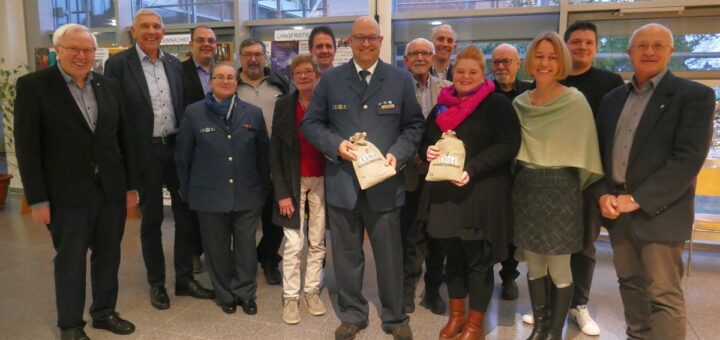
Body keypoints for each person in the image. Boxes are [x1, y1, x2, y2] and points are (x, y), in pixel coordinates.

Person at [301, 16, 424, 340]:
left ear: (381, 40)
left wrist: (398, 153)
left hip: (385, 183)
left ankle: (395, 317)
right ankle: (353, 314)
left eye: (371, 38)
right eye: (359, 38)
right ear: (350, 42)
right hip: (343, 184)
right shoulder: (331, 81)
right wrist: (336, 146)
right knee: (346, 257)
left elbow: (414, 126)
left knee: (389, 256)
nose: (366, 43)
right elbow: (312, 124)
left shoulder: (399, 79)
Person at [14, 23, 138, 339]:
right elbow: (27, 148)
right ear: (59, 52)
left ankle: (104, 312)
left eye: (87, 50)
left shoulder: (107, 85)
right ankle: (70, 325)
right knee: (69, 261)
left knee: (109, 254)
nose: (81, 55)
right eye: (74, 49)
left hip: (109, 190)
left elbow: (124, 139)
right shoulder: (35, 86)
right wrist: (38, 199)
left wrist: (129, 187)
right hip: (65, 196)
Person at [596, 23, 715, 340]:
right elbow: (602, 153)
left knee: (663, 294)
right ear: (629, 52)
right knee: (630, 284)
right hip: (618, 210)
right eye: (642, 45)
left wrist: (637, 199)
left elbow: (687, 160)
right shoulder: (612, 99)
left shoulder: (695, 96)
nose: (649, 51)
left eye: (658, 45)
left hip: (661, 212)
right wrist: (605, 194)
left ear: (671, 52)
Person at [104, 10, 214, 310]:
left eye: (156, 26)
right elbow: (113, 116)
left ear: (163, 31)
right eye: (145, 27)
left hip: (174, 149)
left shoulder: (173, 65)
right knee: (151, 220)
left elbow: (183, 109)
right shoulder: (117, 65)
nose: (151, 31)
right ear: (133, 31)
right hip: (144, 154)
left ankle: (183, 279)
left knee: (184, 216)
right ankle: (156, 283)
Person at [421, 46, 520, 340]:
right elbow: (426, 138)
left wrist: (473, 168)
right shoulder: (441, 105)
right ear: (453, 73)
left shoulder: (497, 104)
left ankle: (475, 325)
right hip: (447, 197)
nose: (465, 76)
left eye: (472, 72)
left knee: (478, 260)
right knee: (453, 257)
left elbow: (508, 145)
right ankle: (456, 318)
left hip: (481, 194)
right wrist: (426, 150)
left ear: (483, 74)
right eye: (460, 71)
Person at [512, 32, 603, 339]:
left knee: (560, 264)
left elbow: (587, 150)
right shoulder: (519, 103)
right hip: (527, 187)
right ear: (530, 60)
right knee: (535, 263)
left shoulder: (575, 100)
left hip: (563, 188)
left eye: (552, 56)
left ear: (561, 61)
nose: (545, 62)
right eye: (539, 56)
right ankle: (540, 325)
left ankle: (555, 330)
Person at [175, 63, 270, 316]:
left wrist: (261, 190)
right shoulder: (194, 113)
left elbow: (263, 156)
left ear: (236, 81)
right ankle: (224, 293)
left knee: (246, 247)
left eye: (230, 77)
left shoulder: (253, 113)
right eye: (220, 77)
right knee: (215, 248)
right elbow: (183, 157)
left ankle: (245, 292)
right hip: (208, 195)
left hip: (247, 194)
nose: (225, 81)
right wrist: (188, 191)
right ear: (210, 82)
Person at [560, 20, 625, 336]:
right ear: (566, 45)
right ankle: (548, 302)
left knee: (585, 245)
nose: (582, 47)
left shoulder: (612, 83)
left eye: (588, 43)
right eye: (576, 42)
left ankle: (578, 305)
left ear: (595, 47)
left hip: (591, 178)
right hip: (554, 177)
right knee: (549, 244)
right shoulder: (550, 79)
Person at [270, 54, 328, 325]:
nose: (304, 76)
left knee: (318, 241)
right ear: (292, 78)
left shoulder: (326, 104)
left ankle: (311, 290)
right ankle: (290, 296)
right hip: (293, 180)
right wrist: (281, 192)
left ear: (317, 74)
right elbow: (276, 151)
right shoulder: (283, 105)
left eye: (309, 71)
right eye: (298, 73)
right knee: (294, 243)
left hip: (323, 180)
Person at [401, 37, 451, 315]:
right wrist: (415, 157)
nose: (420, 57)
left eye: (425, 53)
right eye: (414, 53)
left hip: (439, 174)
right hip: (407, 173)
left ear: (433, 58)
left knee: (438, 236)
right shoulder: (396, 87)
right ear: (406, 59)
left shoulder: (448, 90)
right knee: (409, 235)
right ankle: (407, 288)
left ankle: (433, 291)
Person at [236, 38, 291, 285]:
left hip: (276, 159)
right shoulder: (231, 85)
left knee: (276, 216)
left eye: (258, 54)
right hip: (242, 161)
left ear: (265, 56)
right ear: (240, 57)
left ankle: (268, 259)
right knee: (245, 216)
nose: (253, 59)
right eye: (248, 54)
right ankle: (243, 261)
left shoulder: (280, 83)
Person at [490, 43, 532, 301]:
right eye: (496, 62)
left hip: (521, 171)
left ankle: (508, 276)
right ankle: (484, 273)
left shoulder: (531, 92)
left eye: (507, 61)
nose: (501, 66)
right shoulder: (482, 92)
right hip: (491, 171)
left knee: (513, 229)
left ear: (518, 63)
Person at [181, 25, 218, 274]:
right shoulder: (178, 72)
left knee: (216, 203)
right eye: (201, 40)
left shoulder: (224, 72)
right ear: (191, 44)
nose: (206, 44)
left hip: (220, 147)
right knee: (191, 204)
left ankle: (215, 249)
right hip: (193, 146)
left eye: (211, 41)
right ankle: (193, 252)